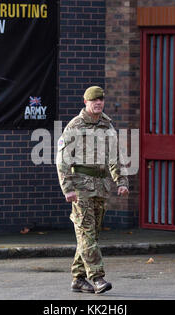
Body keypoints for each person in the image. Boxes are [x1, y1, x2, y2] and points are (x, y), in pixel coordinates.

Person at [56, 86, 129, 294]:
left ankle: (78, 278)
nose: (98, 103)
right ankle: (97, 277)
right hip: (80, 188)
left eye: (101, 100)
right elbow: (62, 160)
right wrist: (67, 188)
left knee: (91, 234)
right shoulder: (75, 126)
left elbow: (116, 155)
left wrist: (121, 181)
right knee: (87, 232)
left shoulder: (107, 125)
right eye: (94, 100)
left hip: (101, 187)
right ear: (85, 102)